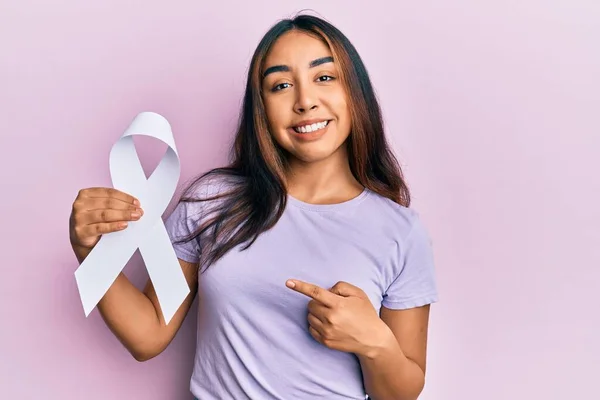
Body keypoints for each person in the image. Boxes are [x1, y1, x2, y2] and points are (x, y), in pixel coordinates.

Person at [69, 12, 439, 400]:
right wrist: (92, 251)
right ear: (261, 108)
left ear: (355, 93)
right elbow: (148, 335)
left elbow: (400, 394)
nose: (305, 101)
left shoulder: (400, 232)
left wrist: (375, 343)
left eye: (324, 77)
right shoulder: (211, 200)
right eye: (280, 85)